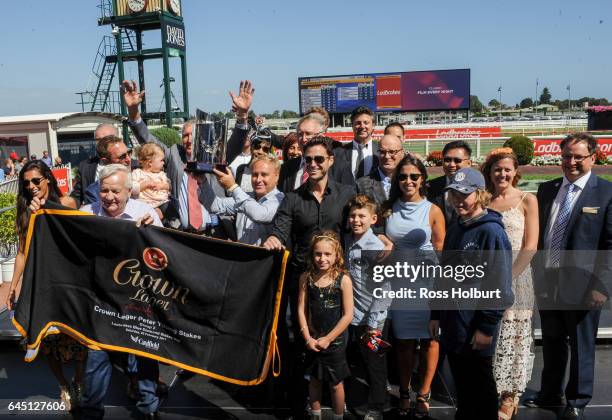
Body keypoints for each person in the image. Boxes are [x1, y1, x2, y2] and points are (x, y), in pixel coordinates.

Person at [263, 136, 356, 416]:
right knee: (297, 339)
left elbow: (364, 221)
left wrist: (382, 237)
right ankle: (304, 400)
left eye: (319, 159)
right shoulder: (293, 197)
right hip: (301, 282)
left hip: (336, 283)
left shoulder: (346, 193)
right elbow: (279, 229)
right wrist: (271, 238)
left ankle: (336, 398)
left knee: (337, 340)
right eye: (308, 159)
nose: (313, 164)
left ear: (330, 161)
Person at [527, 133, 612, 420]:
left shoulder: (606, 193)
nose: (571, 162)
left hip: (585, 285)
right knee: (551, 341)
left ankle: (577, 399)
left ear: (593, 158)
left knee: (581, 345)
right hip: (548, 281)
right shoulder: (547, 189)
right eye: (567, 156)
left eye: (578, 156)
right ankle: (550, 393)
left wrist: (602, 286)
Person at [430, 167, 514, 420]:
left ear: (479, 195)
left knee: (482, 391)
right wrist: (436, 313)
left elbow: (499, 284)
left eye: (464, 194)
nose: (457, 200)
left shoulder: (491, 232)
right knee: (464, 390)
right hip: (454, 323)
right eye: (454, 194)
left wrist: (486, 327)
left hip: (476, 326)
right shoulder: (457, 227)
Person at [79, 164, 162, 420]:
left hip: (136, 297)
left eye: (115, 191)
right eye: (104, 191)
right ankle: (91, 411)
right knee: (97, 355)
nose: (109, 197)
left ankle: (148, 408)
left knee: (144, 351)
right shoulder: (85, 214)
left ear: (128, 192)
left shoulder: (146, 213)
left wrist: (153, 233)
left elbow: (163, 257)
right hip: (100, 297)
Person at [122, 79, 252, 233]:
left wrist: (242, 115)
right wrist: (133, 113)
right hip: (183, 233)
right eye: (185, 136)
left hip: (216, 232)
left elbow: (235, 146)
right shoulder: (174, 154)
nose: (189, 140)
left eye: (193, 135)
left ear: (202, 136)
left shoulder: (213, 156)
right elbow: (148, 139)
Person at [5, 160, 84, 411]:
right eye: (26, 182)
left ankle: (79, 382)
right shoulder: (25, 211)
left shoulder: (67, 204)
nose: (31, 186)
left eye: (36, 181)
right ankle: (63, 385)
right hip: (41, 284)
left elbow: (81, 238)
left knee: (79, 338)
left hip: (68, 282)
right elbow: (21, 254)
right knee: (46, 340)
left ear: (48, 179)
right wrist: (13, 287)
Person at [382, 156, 445, 419]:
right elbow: (381, 237)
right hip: (399, 283)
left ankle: (424, 393)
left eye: (414, 176)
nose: (408, 181)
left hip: (427, 283)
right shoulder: (388, 208)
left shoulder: (433, 210)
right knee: (404, 343)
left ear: (422, 179)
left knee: (430, 341)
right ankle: (405, 392)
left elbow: (441, 251)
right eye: (403, 176)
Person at [480, 148, 539, 419]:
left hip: (518, 277)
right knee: (490, 332)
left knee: (514, 336)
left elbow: (530, 247)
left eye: (507, 169)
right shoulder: (483, 199)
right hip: (486, 277)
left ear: (516, 172)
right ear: (489, 172)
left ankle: (510, 395)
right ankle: (491, 388)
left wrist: (508, 278)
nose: (502, 174)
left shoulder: (528, 200)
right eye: (497, 169)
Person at [297, 231, 353, 420]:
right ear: (312, 255)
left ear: (336, 255)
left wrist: (329, 339)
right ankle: (315, 414)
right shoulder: (306, 278)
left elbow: (348, 315)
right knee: (314, 381)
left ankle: (338, 416)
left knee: (336, 384)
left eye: (327, 254)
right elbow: (300, 310)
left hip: (334, 343)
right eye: (318, 254)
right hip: (312, 341)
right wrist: (307, 338)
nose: (322, 258)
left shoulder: (343, 280)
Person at [344, 194, 389, 420]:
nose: (356, 220)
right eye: (352, 215)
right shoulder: (349, 241)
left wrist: (374, 324)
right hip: (356, 316)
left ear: (373, 219)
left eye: (362, 216)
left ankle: (377, 406)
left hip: (374, 320)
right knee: (363, 361)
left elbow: (384, 288)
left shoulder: (375, 246)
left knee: (375, 363)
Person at [201, 155, 284, 245]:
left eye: (264, 175)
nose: (258, 180)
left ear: (276, 177)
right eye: (255, 175)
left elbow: (259, 214)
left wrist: (233, 187)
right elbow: (215, 206)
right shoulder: (245, 197)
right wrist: (202, 181)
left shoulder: (280, 200)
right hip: (241, 255)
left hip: (263, 258)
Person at [278, 113, 352, 192]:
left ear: (321, 135)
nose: (303, 139)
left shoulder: (340, 167)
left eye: (308, 134)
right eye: (300, 134)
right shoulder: (286, 168)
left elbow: (350, 196)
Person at [70, 123, 120, 207]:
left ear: (117, 140)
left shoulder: (130, 165)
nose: (101, 143)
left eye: (106, 139)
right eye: (98, 140)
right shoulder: (85, 166)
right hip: (94, 216)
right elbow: (76, 197)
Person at [426, 140, 473, 227]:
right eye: (447, 160)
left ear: (469, 163)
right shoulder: (429, 187)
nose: (451, 164)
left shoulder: (478, 188)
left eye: (457, 160)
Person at [356, 134, 405, 207]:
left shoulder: (409, 182)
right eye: (382, 152)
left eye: (392, 152)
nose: (387, 156)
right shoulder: (361, 185)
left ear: (402, 153)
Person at [333, 106, 379, 183]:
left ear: (373, 125)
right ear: (352, 125)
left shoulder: (382, 150)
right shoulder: (338, 153)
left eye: (366, 123)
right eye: (358, 123)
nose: (362, 126)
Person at [132, 143, 171, 219]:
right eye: (161, 160)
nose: (163, 163)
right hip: (145, 204)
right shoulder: (137, 173)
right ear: (150, 163)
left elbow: (170, 186)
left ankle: (173, 224)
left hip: (162, 202)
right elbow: (131, 188)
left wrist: (162, 185)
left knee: (170, 208)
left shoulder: (161, 174)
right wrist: (145, 184)